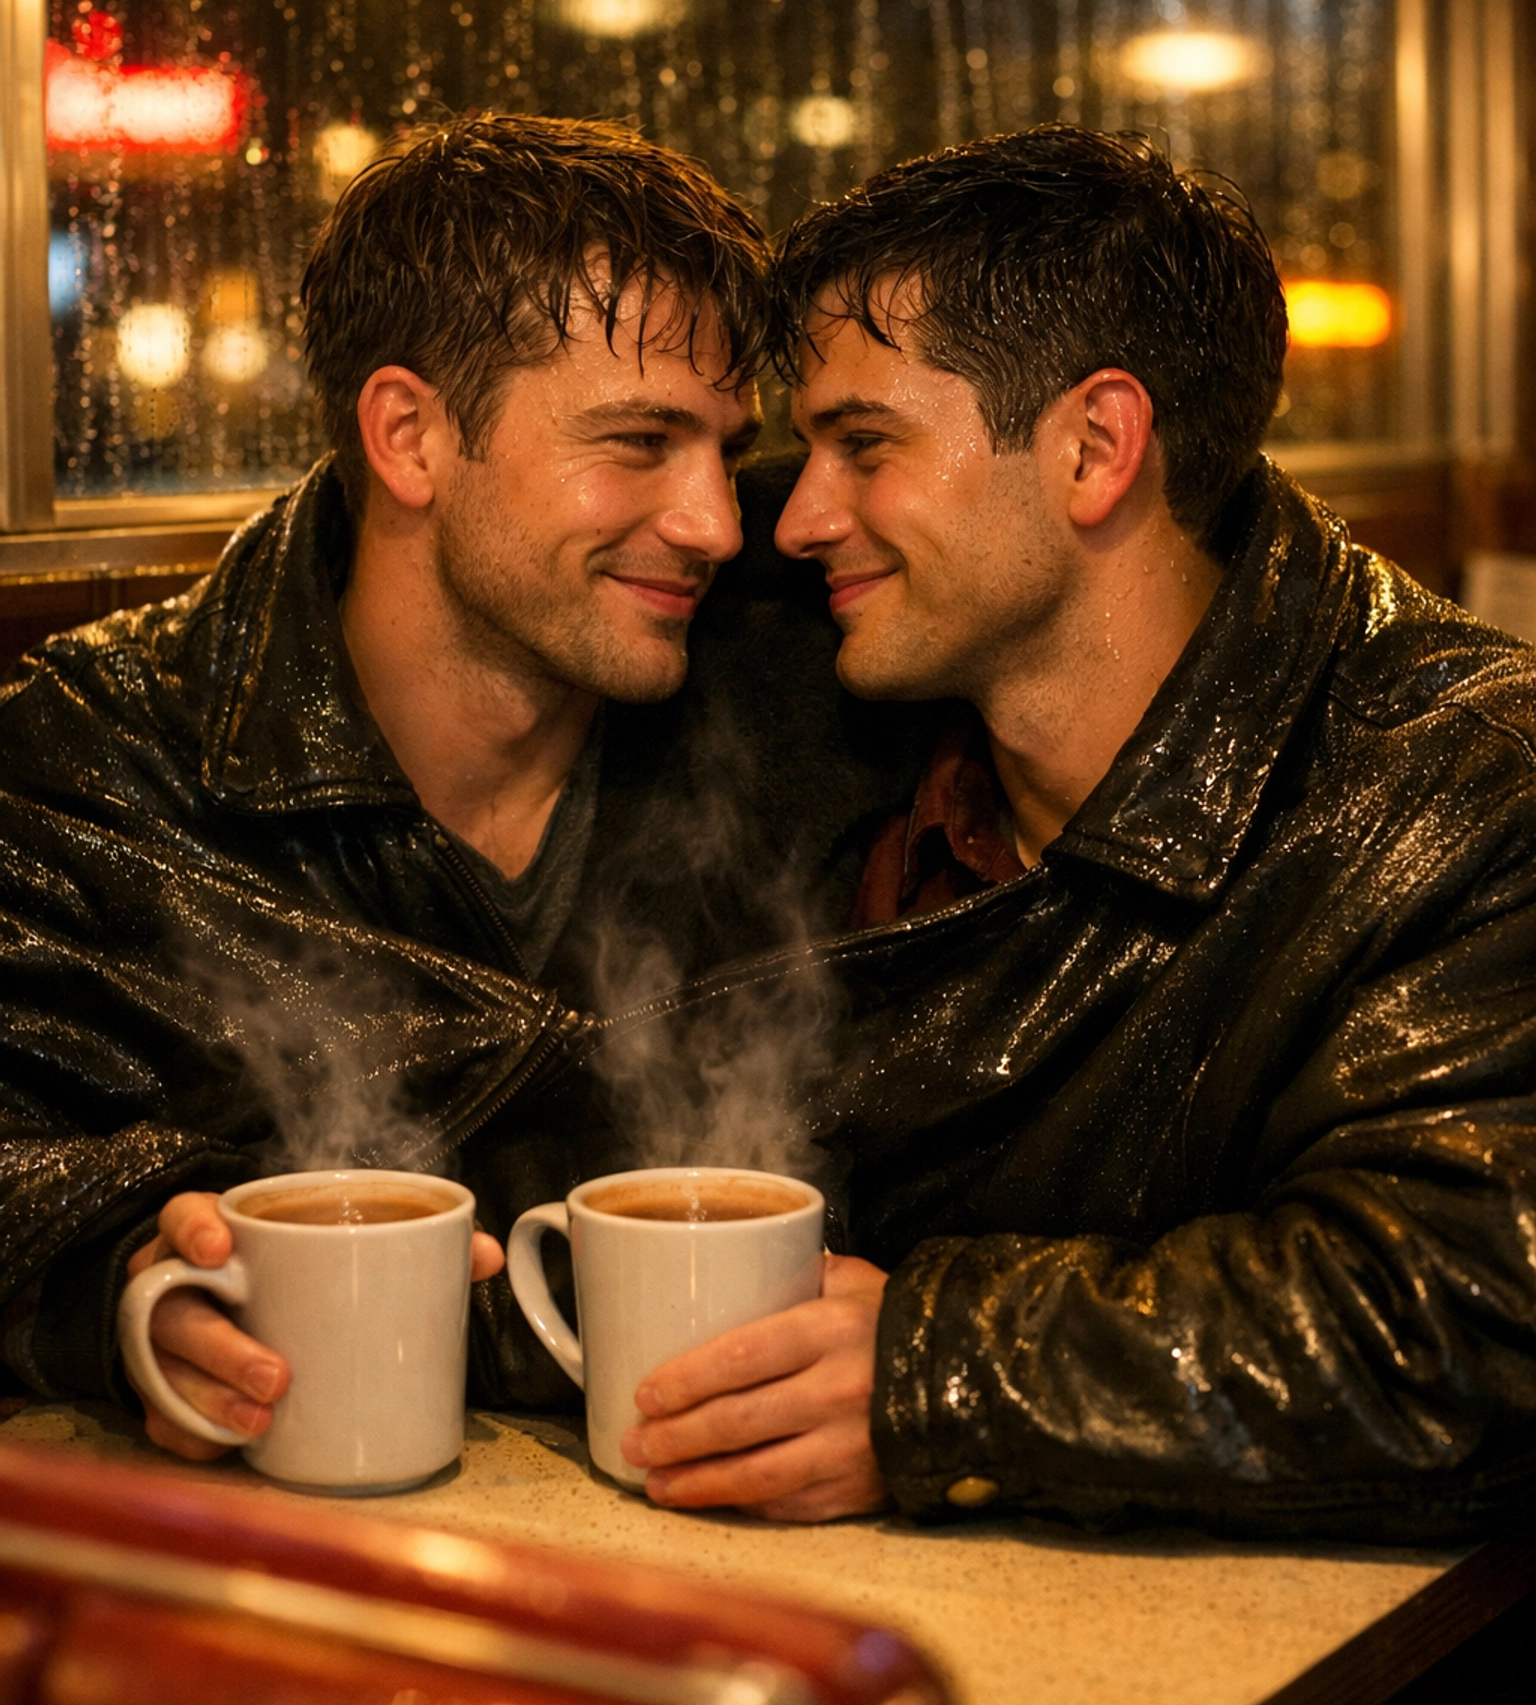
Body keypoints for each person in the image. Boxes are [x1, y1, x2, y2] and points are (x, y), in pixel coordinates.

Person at [593, 126, 1536, 1544]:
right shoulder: (781, 702)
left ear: (1097, 447)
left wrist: (936, 1375)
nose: (796, 521)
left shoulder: (1462, 786)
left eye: (863, 446)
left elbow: (1467, 1310)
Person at [0, 114, 920, 1459]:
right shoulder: (105, 753)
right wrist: (119, 1289)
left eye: (725, 448)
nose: (720, 522)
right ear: (409, 436)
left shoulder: (805, 694)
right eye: (642, 441)